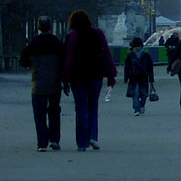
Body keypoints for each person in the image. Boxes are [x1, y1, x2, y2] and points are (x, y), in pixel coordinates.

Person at [64, 10, 117, 151]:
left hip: (77, 77)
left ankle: (82, 142)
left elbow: (68, 58)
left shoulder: (72, 35)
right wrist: (111, 74)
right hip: (95, 75)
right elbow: (106, 54)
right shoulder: (97, 33)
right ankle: (93, 136)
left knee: (80, 109)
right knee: (93, 107)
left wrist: (65, 78)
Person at [20, 16, 65, 152]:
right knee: (54, 112)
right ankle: (54, 139)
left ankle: (42, 142)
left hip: (38, 83)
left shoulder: (33, 43)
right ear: (50, 27)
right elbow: (64, 62)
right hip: (54, 83)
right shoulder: (57, 43)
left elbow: (23, 62)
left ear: (39, 27)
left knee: (39, 114)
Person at [124, 37, 154, 116]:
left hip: (143, 77)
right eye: (136, 46)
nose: (138, 47)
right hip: (133, 77)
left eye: (139, 45)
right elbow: (127, 67)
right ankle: (136, 109)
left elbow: (150, 67)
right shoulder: (130, 55)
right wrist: (126, 77)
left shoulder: (146, 55)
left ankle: (142, 105)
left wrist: (151, 78)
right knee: (135, 94)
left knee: (144, 94)